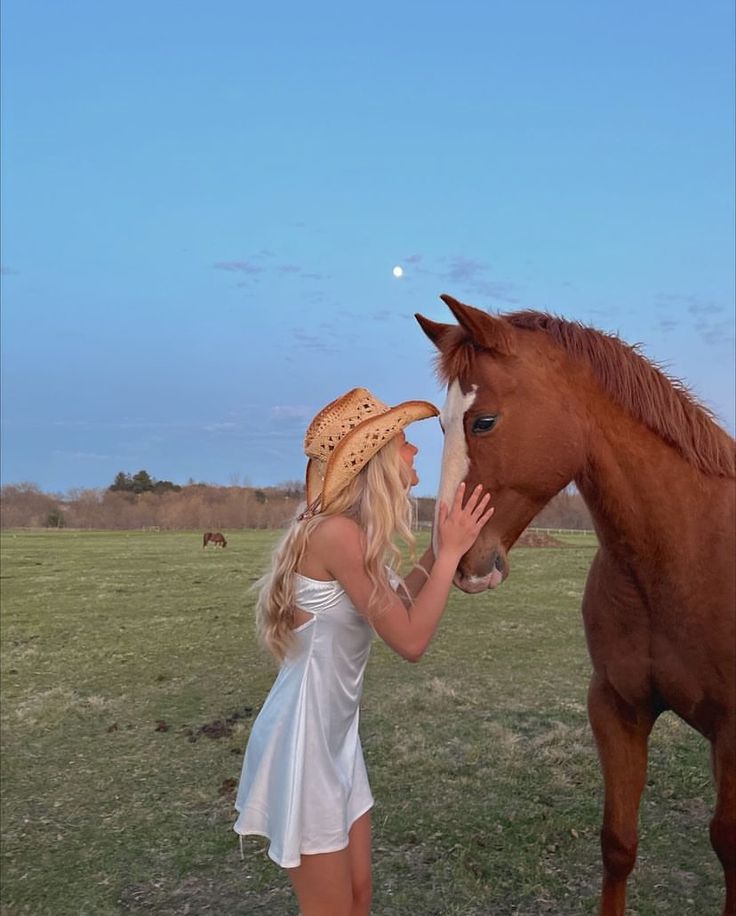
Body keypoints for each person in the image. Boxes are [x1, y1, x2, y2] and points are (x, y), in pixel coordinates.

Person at [233, 387, 494, 916]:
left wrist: (444, 553)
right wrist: (447, 562)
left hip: (336, 738)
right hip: (304, 741)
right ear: (375, 460)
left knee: (359, 896)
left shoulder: (351, 534)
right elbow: (411, 640)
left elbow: (400, 604)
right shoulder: (335, 535)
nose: (415, 452)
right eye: (403, 442)